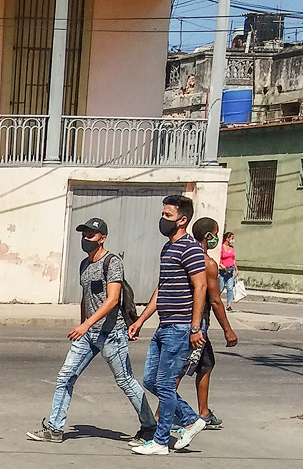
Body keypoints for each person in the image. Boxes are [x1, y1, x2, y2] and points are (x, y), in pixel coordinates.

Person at [26, 218, 157, 444]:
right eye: (84, 234)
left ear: (102, 238)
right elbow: (86, 298)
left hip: (112, 334)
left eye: (91, 235)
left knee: (125, 381)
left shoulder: (112, 262)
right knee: (65, 376)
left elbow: (112, 299)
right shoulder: (84, 265)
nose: (86, 239)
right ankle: (55, 429)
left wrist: (86, 324)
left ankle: (149, 427)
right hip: (88, 335)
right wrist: (83, 324)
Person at [128, 195, 209, 455]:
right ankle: (190, 419)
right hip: (164, 326)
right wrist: (141, 320)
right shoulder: (168, 248)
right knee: (151, 380)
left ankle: (161, 442)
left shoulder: (190, 249)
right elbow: (161, 289)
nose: (163, 220)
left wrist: (196, 328)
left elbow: (201, 286)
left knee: (164, 383)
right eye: (163, 214)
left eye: (168, 216)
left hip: (181, 327)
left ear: (182, 220)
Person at [167, 217, 239, 435]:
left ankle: (204, 412)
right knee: (178, 370)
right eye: (216, 233)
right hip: (196, 326)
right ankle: (163, 416)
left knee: (206, 364)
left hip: (188, 323)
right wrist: (228, 330)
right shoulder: (206, 263)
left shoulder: (185, 255)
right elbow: (216, 300)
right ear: (210, 236)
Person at [219, 232, 238, 312]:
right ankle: (215, 303)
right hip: (223, 270)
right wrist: (221, 265)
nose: (232, 240)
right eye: (231, 238)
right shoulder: (221, 247)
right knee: (220, 287)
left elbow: (233, 259)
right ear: (227, 238)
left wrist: (236, 269)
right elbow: (218, 257)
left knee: (230, 288)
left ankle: (229, 305)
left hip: (231, 270)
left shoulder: (232, 248)